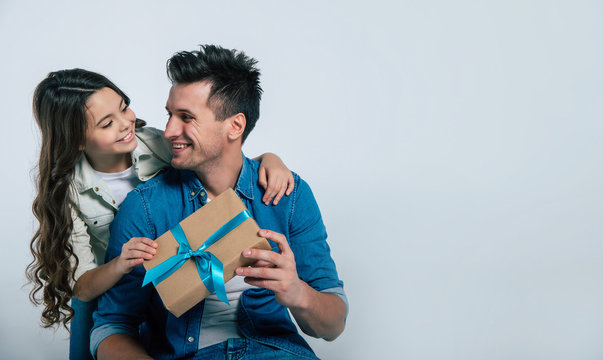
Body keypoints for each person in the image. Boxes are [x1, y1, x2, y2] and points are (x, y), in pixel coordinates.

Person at [91, 45, 347, 360]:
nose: (169, 130)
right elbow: (112, 325)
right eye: (170, 114)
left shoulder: (288, 196)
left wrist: (297, 293)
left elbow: (333, 325)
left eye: (186, 117)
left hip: (274, 352)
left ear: (235, 126)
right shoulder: (145, 206)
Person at [25, 68, 295, 360]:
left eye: (124, 107)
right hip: (107, 287)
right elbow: (83, 287)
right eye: (106, 124)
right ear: (76, 139)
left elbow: (218, 159)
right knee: (94, 340)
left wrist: (269, 159)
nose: (125, 123)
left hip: (169, 273)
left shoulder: (155, 142)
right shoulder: (68, 192)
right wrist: (120, 265)